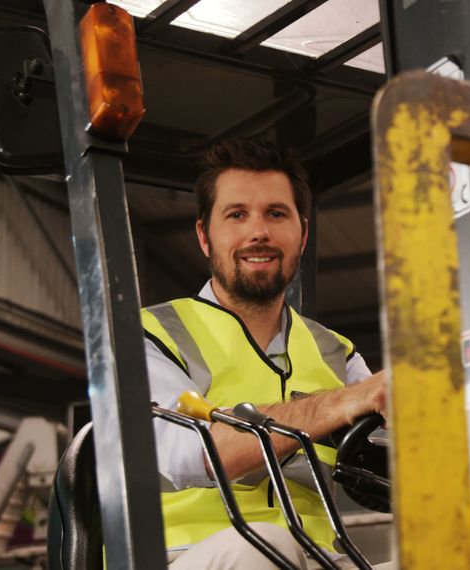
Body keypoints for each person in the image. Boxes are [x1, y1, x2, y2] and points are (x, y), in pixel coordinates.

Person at [142, 136, 390, 569]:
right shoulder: (153, 333)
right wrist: (343, 403)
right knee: (265, 546)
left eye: (276, 214)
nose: (259, 231)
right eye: (237, 215)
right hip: (180, 556)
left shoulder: (335, 351)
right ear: (205, 236)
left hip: (319, 558)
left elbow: (390, 448)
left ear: (303, 232)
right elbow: (191, 452)